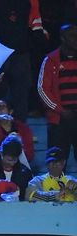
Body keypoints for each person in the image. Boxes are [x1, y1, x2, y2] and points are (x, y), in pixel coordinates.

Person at [38, 24, 77, 170]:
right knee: (58, 163)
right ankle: (57, 193)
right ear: (63, 38)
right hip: (60, 120)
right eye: (73, 36)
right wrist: (61, 110)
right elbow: (42, 89)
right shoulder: (51, 60)